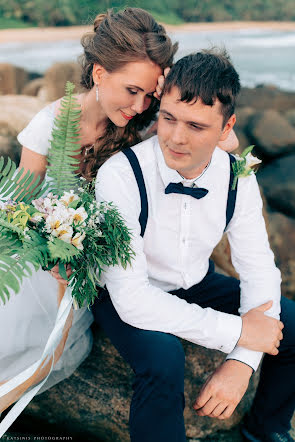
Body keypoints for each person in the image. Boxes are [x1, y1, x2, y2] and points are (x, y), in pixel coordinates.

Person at [92, 49, 295, 442]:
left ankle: (264, 430)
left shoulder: (239, 177)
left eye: (196, 126)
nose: (176, 137)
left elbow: (258, 270)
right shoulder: (120, 176)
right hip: (126, 291)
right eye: (168, 119)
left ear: (227, 127)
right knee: (164, 360)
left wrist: (241, 361)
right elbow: (132, 298)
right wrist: (236, 332)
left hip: (198, 282)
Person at [0, 7, 179, 412]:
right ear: (99, 73)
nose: (139, 104)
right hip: (36, 260)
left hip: (90, 262)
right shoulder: (51, 125)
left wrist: (170, 92)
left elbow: (227, 142)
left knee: (49, 351)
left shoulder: (142, 127)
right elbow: (19, 208)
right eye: (132, 90)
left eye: (150, 94)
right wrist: (48, 251)